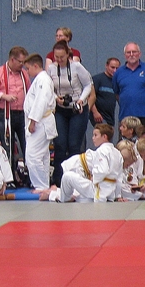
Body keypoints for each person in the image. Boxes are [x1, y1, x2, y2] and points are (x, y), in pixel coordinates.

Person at [48, 41, 92, 186]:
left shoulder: (76, 67)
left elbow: (88, 85)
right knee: (60, 144)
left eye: (62, 57)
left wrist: (81, 99)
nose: (59, 60)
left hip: (77, 108)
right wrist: (56, 98)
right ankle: (58, 180)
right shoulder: (51, 69)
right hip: (60, 109)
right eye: (56, 57)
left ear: (68, 54)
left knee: (74, 145)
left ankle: (75, 179)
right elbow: (49, 88)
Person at [50, 124, 124, 203]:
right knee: (82, 197)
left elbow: (102, 171)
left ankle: (63, 199)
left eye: (95, 135)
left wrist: (93, 177)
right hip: (110, 192)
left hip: (98, 190)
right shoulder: (117, 153)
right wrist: (117, 196)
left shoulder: (101, 151)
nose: (93, 138)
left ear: (104, 137)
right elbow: (119, 176)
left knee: (67, 176)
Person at [0, 46, 30, 174]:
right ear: (12, 60)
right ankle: (9, 176)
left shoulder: (24, 73)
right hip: (6, 114)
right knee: (8, 146)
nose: (22, 64)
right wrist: (3, 96)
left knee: (27, 145)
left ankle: (28, 175)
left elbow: (29, 90)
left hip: (22, 114)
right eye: (20, 62)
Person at [23, 54, 57, 191]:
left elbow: (41, 102)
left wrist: (33, 121)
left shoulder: (43, 79)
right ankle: (43, 184)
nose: (27, 71)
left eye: (28, 68)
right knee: (42, 155)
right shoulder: (41, 80)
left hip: (40, 121)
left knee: (32, 155)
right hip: (41, 121)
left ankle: (41, 185)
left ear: (35, 66)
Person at [112, 42, 145, 129]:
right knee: (125, 138)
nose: (131, 54)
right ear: (125, 55)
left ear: (139, 54)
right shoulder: (118, 73)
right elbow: (117, 93)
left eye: (134, 52)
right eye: (128, 52)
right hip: (126, 116)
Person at [88, 57, 120, 128]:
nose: (115, 70)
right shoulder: (97, 79)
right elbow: (89, 97)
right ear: (106, 66)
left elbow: (118, 97)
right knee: (103, 133)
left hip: (110, 116)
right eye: (112, 67)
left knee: (108, 134)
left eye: (117, 68)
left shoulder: (116, 82)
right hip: (100, 116)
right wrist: (95, 112)